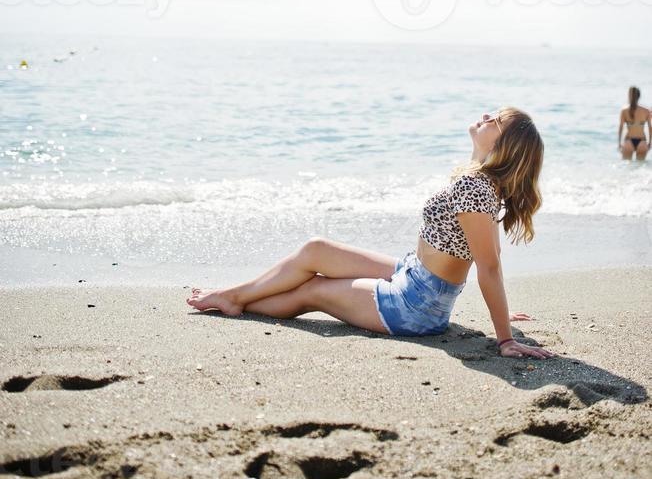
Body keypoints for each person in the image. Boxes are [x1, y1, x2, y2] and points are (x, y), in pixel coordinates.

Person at [187, 107, 554, 360]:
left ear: (503, 147)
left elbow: (488, 266)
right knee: (315, 249)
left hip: (414, 307)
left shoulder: (476, 188)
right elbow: (463, 256)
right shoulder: (476, 179)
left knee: (311, 289)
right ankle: (234, 295)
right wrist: (503, 317)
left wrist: (504, 336)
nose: (487, 116)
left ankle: (234, 300)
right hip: (412, 274)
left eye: (498, 121)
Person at [618, 86, 650, 161]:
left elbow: (621, 128)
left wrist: (619, 143)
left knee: (626, 168)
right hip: (642, 141)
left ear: (629, 96)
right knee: (641, 167)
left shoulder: (624, 111)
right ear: (639, 97)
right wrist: (650, 143)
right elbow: (650, 127)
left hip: (628, 141)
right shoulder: (646, 111)